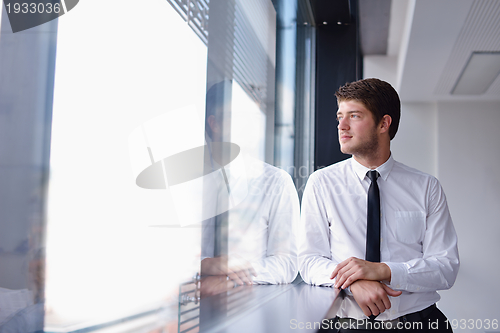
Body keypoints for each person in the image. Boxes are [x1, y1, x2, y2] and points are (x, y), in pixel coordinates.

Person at [299, 78, 459, 332]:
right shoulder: (322, 183)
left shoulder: (426, 187)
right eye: (340, 116)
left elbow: (445, 267)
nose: (342, 125)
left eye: (354, 115)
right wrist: (354, 282)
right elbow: (309, 260)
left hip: (419, 322)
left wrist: (383, 271)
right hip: (346, 323)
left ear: (384, 123)